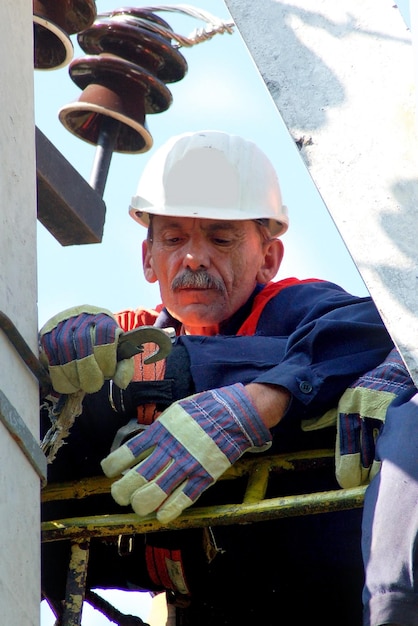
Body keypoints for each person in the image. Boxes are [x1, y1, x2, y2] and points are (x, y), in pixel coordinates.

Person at [39, 130, 418, 626]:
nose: (193, 257)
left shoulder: (298, 309)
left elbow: (380, 324)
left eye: (220, 238)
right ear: (148, 258)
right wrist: (43, 362)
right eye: (173, 238)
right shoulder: (132, 340)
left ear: (269, 259)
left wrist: (264, 398)